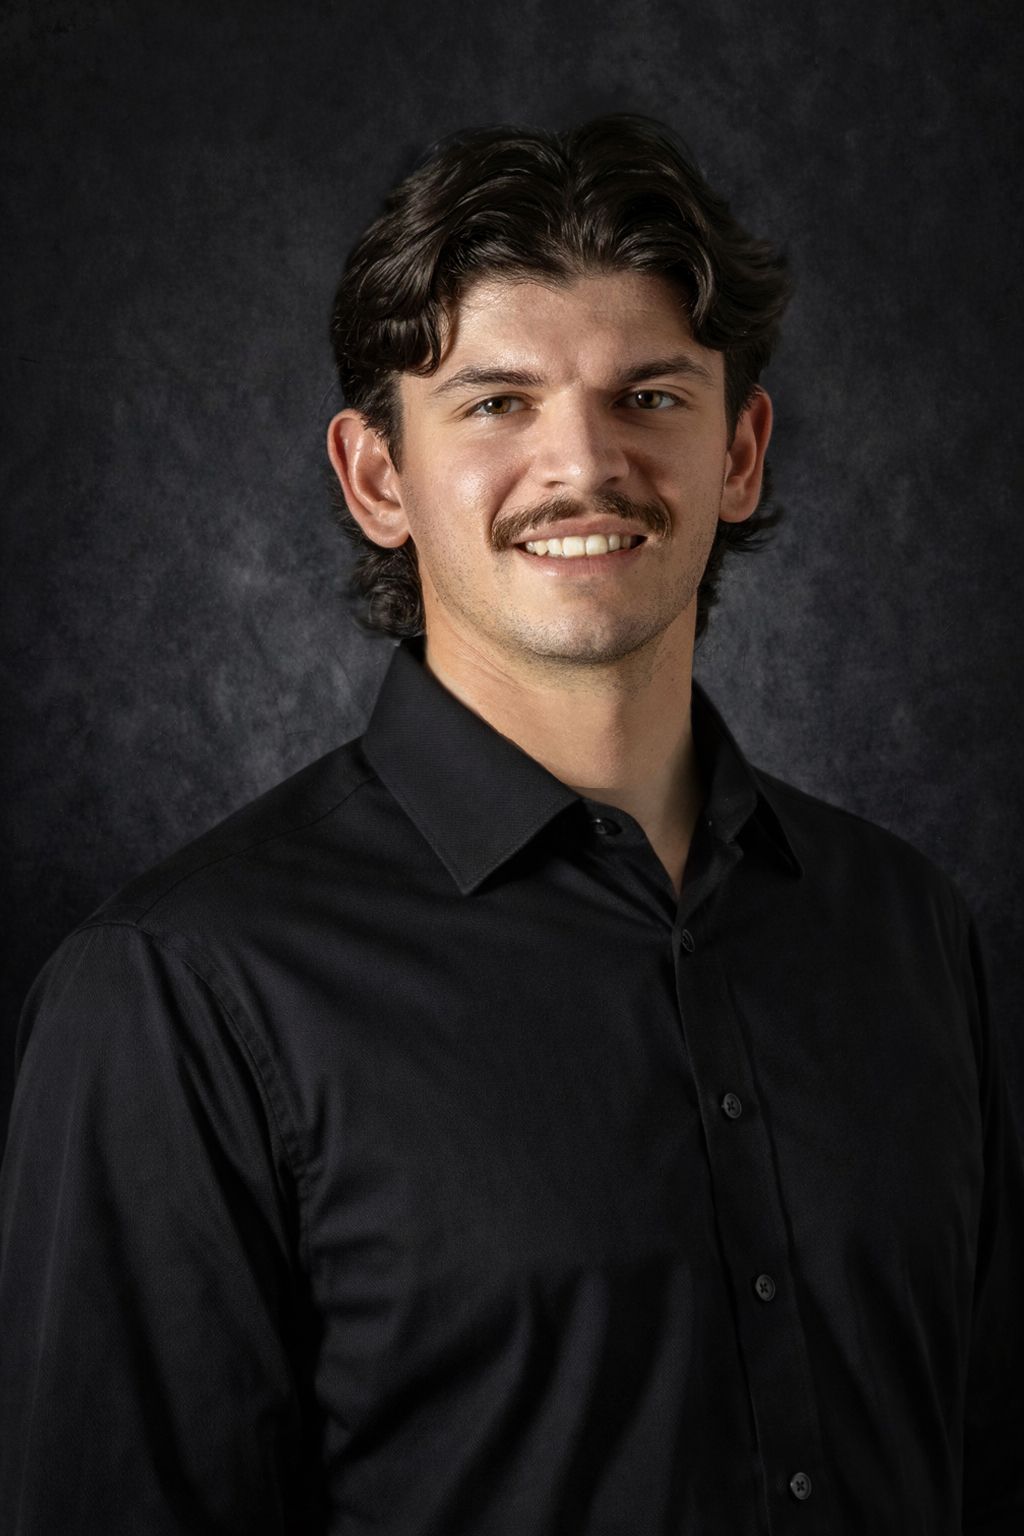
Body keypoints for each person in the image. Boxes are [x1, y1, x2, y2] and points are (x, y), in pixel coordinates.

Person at [1, 113, 1021, 1536]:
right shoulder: (179, 995)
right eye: (495, 403)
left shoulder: (911, 930)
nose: (583, 464)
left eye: (651, 396)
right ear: (377, 480)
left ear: (740, 451)